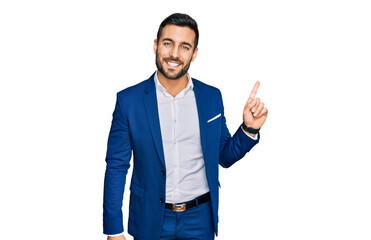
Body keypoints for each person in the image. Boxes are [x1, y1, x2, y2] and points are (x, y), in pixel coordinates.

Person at [103, 13, 268, 240]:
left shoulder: (211, 97)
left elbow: (224, 156)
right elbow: (116, 166)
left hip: (200, 218)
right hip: (151, 217)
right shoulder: (128, 101)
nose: (174, 54)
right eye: (168, 43)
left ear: (194, 53)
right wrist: (114, 230)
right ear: (155, 45)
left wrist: (249, 129)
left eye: (184, 47)